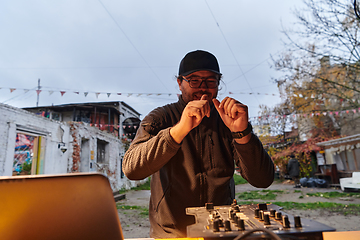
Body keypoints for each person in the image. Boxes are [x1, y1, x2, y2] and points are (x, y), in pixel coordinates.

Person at [122, 50, 275, 238]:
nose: (203, 88)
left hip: (221, 230)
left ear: (218, 84)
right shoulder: (160, 118)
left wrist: (241, 133)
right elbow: (131, 169)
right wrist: (177, 131)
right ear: (180, 83)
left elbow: (263, 180)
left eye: (211, 81)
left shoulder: (228, 121)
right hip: (172, 233)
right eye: (194, 80)